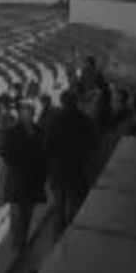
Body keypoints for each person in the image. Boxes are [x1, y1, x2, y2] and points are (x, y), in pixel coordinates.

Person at [45, 90, 97, 241]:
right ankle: (73, 240)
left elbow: (47, 147)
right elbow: (93, 145)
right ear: (76, 102)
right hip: (78, 172)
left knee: (59, 210)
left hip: (59, 173)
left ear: (62, 102)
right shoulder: (85, 121)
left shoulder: (54, 121)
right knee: (75, 209)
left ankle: (57, 243)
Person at [1, 102, 47, 252]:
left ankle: (23, 238)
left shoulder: (39, 131)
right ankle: (17, 240)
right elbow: (6, 155)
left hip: (33, 179)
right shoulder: (12, 132)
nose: (26, 115)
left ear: (33, 114)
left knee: (28, 210)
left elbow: (43, 155)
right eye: (23, 112)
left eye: (29, 112)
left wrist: (43, 175)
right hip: (18, 178)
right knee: (17, 211)